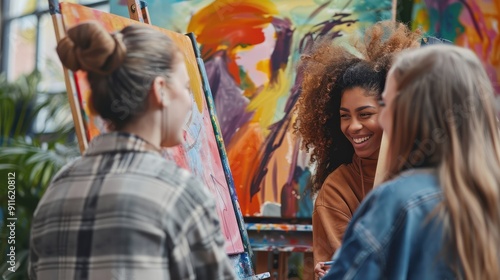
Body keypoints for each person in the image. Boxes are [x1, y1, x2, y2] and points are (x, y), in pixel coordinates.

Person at [28, 21, 236, 279]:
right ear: (160, 90)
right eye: (185, 87)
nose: (188, 101)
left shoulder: (57, 189)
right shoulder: (179, 193)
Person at [324, 44, 500, 279]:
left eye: (385, 105)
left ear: (412, 112)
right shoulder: (487, 195)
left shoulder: (399, 201)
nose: (383, 118)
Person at [293, 21, 420, 278]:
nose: (353, 127)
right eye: (344, 116)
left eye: (365, 114)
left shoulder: (428, 174)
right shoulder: (338, 190)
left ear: (394, 113)